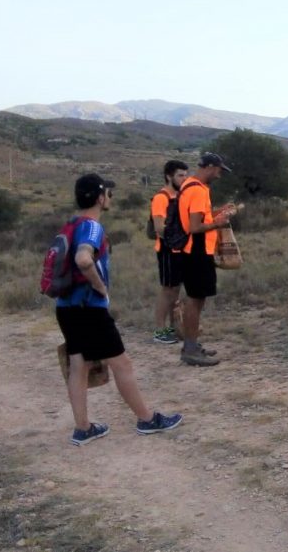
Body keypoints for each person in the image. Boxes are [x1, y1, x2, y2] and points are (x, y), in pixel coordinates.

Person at [58, 173, 182, 445]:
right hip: (89, 308)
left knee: (79, 364)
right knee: (121, 363)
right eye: (109, 194)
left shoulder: (71, 223)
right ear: (101, 197)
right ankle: (147, 419)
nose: (110, 199)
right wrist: (101, 288)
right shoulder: (91, 227)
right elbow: (83, 259)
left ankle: (83, 427)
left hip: (66, 307)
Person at [178, 152, 232, 366]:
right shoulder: (199, 191)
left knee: (196, 299)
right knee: (195, 300)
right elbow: (194, 227)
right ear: (209, 167)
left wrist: (216, 214)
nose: (219, 175)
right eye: (219, 170)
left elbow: (196, 219)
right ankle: (190, 349)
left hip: (192, 251)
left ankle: (191, 344)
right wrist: (218, 224)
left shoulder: (189, 185)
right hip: (197, 252)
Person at [150, 160, 189, 344]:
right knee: (167, 290)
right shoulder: (161, 197)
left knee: (176, 289)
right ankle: (159, 330)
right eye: (180, 175)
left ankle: (175, 327)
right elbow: (159, 227)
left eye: (185, 175)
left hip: (180, 248)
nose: (184, 178)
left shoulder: (181, 196)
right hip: (166, 249)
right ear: (169, 176)